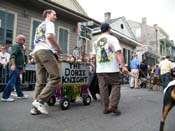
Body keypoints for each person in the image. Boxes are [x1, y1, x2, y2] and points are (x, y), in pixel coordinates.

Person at [92, 23, 129, 115]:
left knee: (103, 88)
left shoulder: (96, 42)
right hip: (111, 68)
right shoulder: (112, 39)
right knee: (116, 85)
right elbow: (119, 53)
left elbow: (93, 56)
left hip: (100, 69)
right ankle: (112, 106)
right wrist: (123, 66)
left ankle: (105, 108)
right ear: (109, 29)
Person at [31, 9, 62, 115]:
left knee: (40, 82)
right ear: (48, 15)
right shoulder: (50, 23)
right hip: (45, 51)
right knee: (55, 77)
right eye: (54, 14)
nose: (55, 17)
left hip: (37, 52)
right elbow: (49, 36)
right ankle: (39, 101)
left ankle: (34, 108)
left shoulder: (39, 26)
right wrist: (58, 48)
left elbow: (38, 40)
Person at [1, 34, 28, 102]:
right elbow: (13, 55)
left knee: (17, 82)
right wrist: (13, 65)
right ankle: (5, 97)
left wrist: (24, 49)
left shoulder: (20, 47)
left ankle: (20, 95)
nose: (24, 41)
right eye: (23, 40)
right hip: (15, 66)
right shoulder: (16, 46)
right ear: (19, 40)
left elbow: (21, 55)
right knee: (11, 81)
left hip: (18, 67)